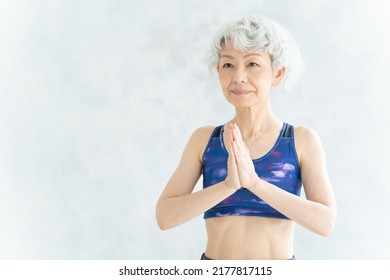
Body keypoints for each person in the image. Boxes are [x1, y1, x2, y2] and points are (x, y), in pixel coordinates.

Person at [155, 15, 337, 260]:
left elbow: (324, 223)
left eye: (252, 64)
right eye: (228, 65)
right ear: (218, 70)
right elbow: (165, 217)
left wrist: (255, 184)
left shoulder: (300, 140)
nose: (239, 76)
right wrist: (228, 186)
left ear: (278, 74)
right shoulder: (205, 140)